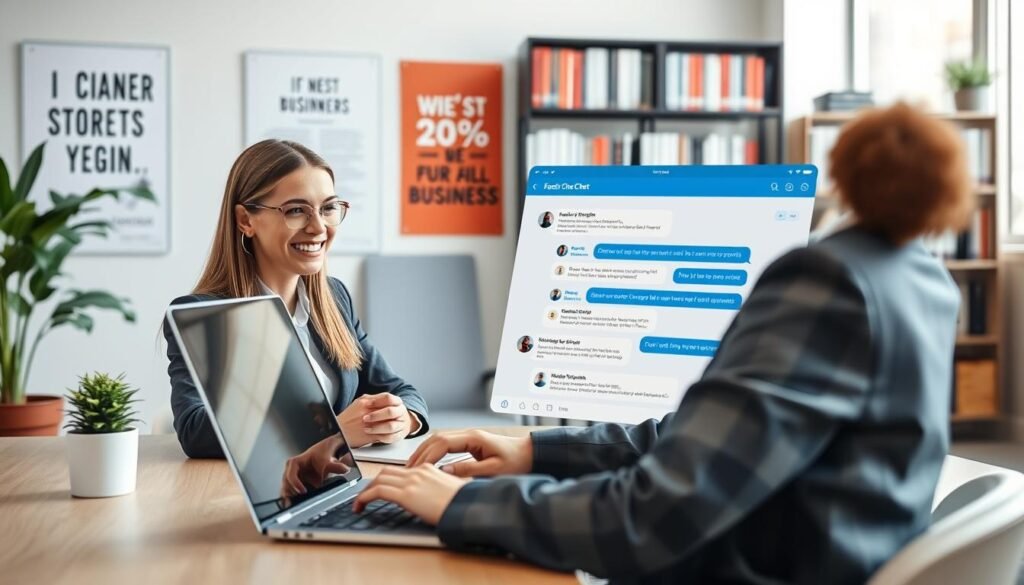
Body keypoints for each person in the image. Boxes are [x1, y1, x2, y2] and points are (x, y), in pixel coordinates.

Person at [352, 103, 972, 584]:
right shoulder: (921, 279)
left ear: (844, 170)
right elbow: (713, 435)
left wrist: (466, 505)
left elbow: (654, 517)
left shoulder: (826, 281)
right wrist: (536, 452)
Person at [164, 139, 429, 458]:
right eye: (295, 211)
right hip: (245, 495)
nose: (318, 227)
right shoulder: (201, 313)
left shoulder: (334, 298)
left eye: (328, 208)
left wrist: (404, 419)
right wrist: (333, 432)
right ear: (246, 220)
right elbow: (195, 432)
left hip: (337, 481)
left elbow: (402, 392)